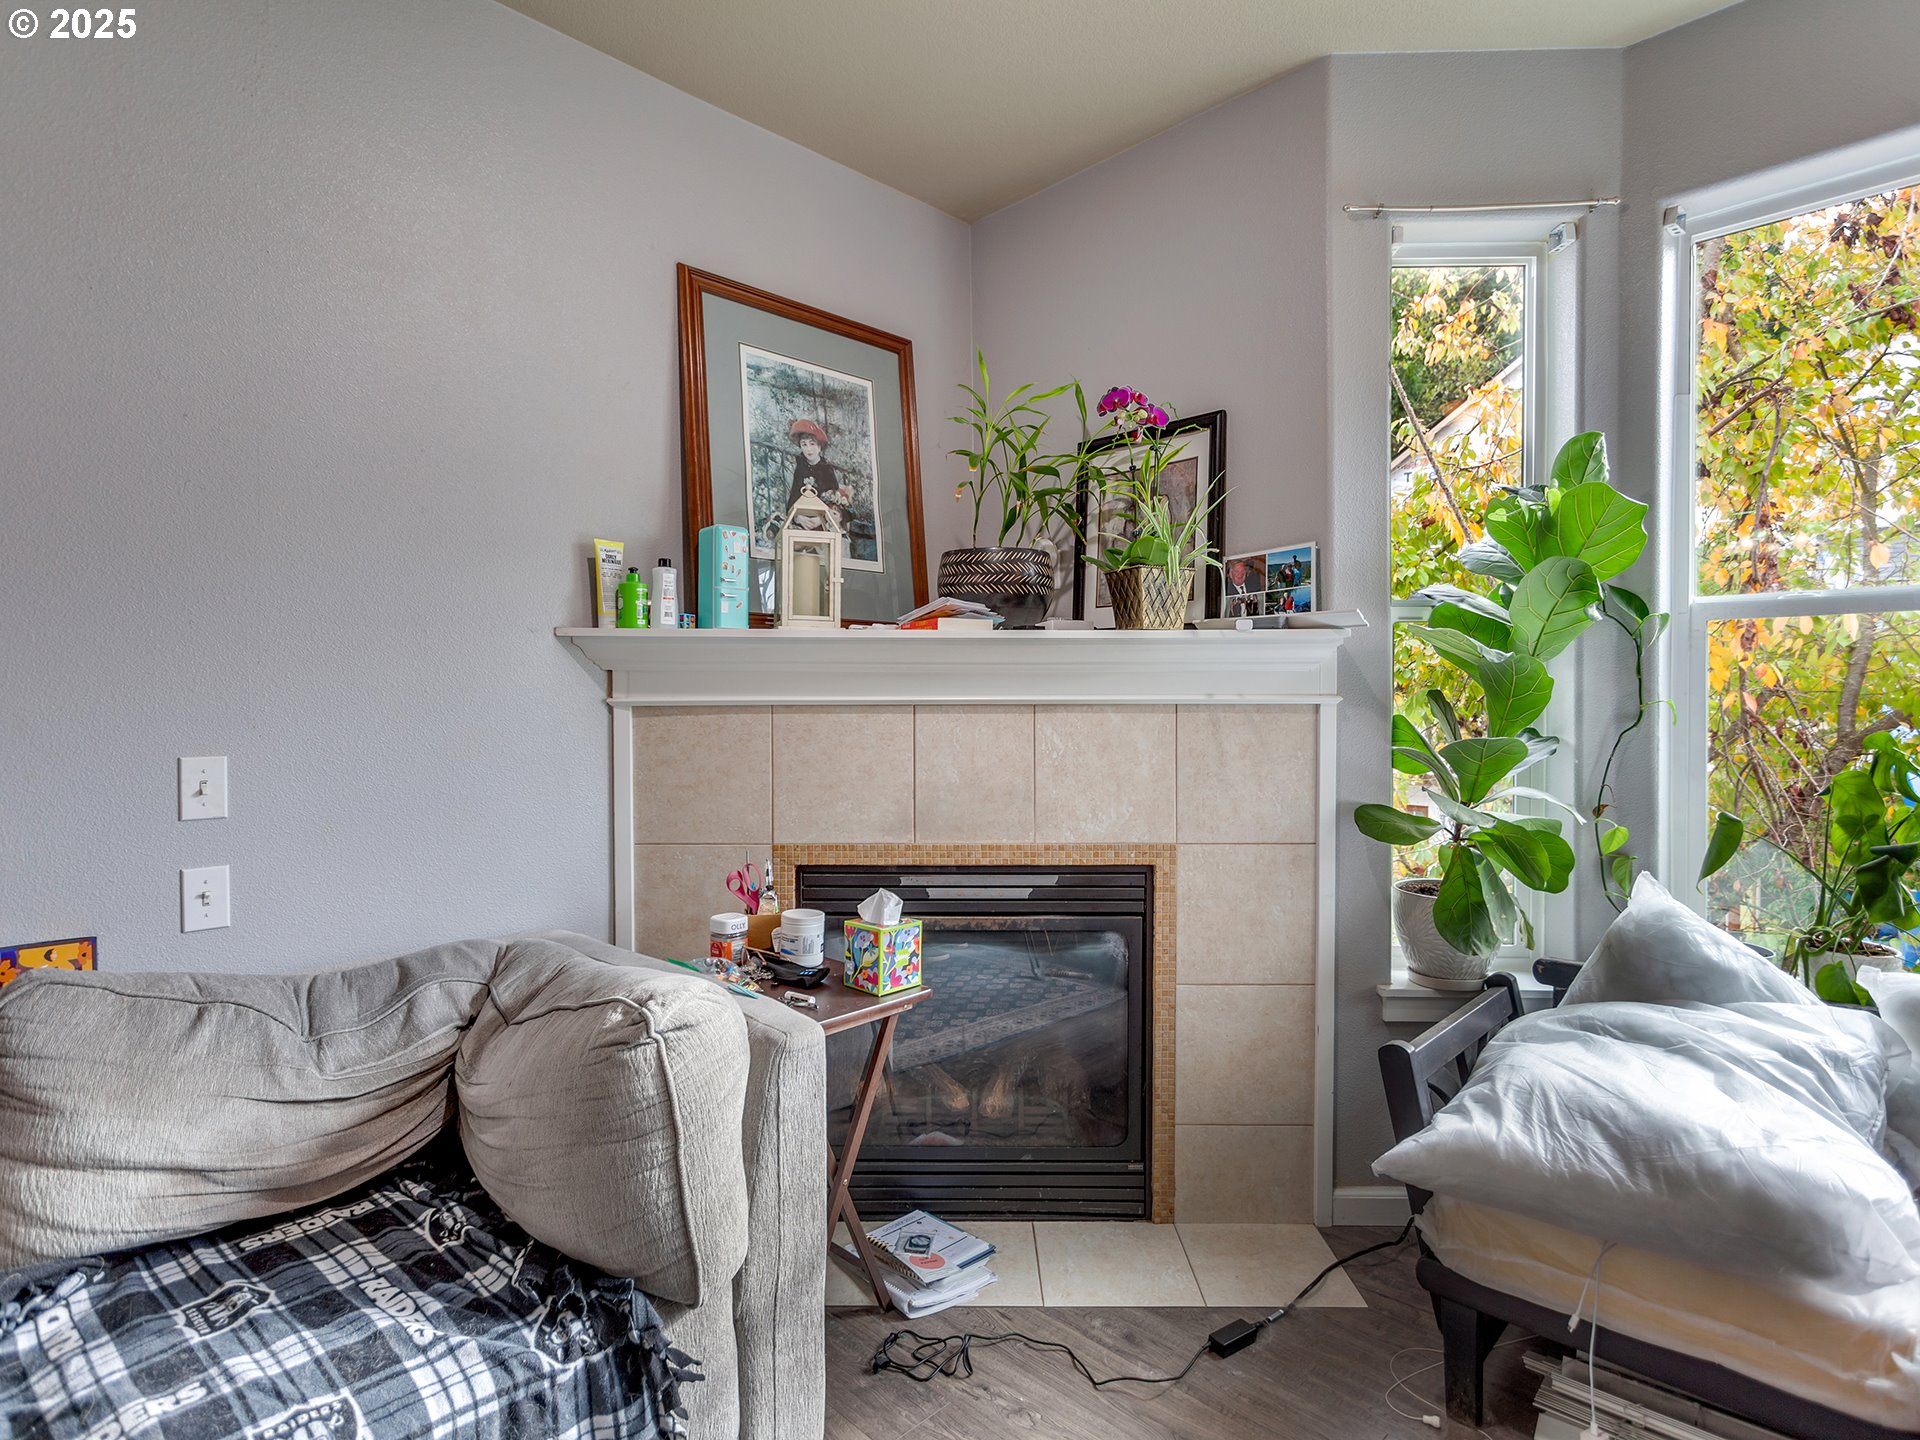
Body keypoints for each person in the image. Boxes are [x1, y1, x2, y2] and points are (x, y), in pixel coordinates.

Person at [784, 419, 854, 530]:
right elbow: (793, 499)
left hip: (823, 522)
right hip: (803, 522)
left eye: (812, 444)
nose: (809, 449)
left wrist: (822, 519)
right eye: (804, 444)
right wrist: (798, 518)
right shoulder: (800, 469)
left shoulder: (827, 470)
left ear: (819, 446)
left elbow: (834, 504)